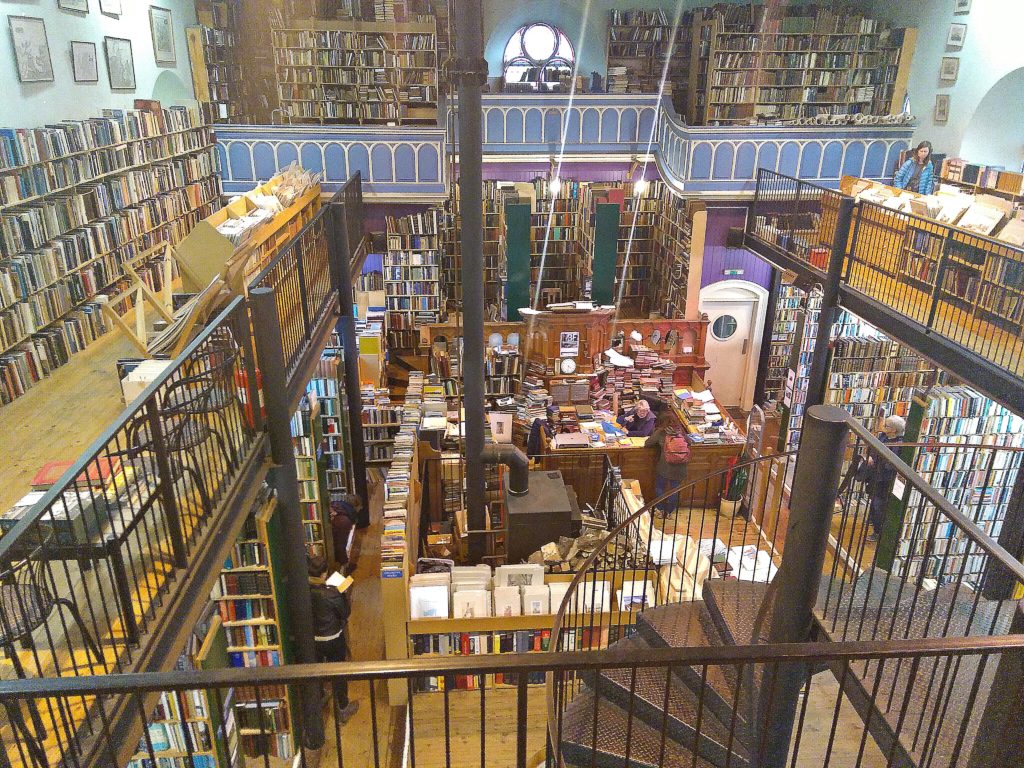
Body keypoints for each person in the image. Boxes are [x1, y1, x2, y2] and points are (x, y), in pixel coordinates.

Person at [308, 555, 359, 723]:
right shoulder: (332, 593)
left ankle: (320, 699)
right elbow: (345, 613)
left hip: (313, 640)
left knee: (315, 673)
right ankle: (343, 708)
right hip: (333, 639)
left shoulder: (304, 590)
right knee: (339, 673)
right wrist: (342, 593)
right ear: (324, 573)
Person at [862, 415, 906, 542]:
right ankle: (873, 521)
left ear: (894, 430)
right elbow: (873, 448)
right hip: (875, 476)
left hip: (885, 480)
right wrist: (871, 456)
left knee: (878, 504)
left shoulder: (899, 444)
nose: (883, 427)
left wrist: (875, 461)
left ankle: (877, 532)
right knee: (874, 500)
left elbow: (889, 464)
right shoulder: (883, 437)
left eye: (886, 426)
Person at [645, 411, 691, 517]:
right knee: (675, 489)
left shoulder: (661, 432)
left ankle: (660, 509)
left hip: (665, 466)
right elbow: (689, 442)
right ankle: (669, 511)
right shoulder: (681, 431)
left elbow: (648, 444)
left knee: (660, 487)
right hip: (681, 466)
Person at [330, 494, 361, 575]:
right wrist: (345, 562)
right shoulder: (344, 521)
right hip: (334, 554)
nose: (361, 509)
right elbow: (340, 544)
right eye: (360, 507)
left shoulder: (339, 509)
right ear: (355, 506)